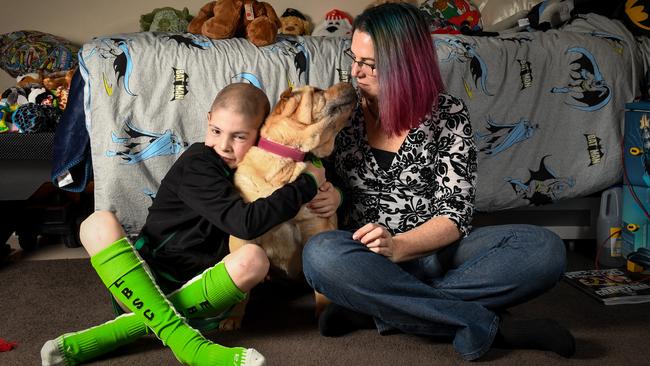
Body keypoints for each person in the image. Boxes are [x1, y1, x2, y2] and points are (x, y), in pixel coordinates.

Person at [302, 3, 575, 361]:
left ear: (405, 66)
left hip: (437, 252)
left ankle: (379, 311)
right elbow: (318, 169)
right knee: (319, 255)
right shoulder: (344, 111)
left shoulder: (447, 114)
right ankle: (487, 325)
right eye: (354, 57)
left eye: (370, 64)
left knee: (545, 249)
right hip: (364, 258)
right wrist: (334, 193)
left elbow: (455, 214)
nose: (356, 71)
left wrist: (398, 246)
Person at [41, 83, 326, 366]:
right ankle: (188, 344)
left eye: (239, 136)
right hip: (146, 285)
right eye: (216, 131)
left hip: (207, 297)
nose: (223, 146)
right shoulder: (199, 162)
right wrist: (308, 184)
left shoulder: (262, 169)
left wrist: (334, 194)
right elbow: (245, 223)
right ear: (208, 121)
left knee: (254, 260)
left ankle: (141, 328)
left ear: (260, 133)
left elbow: (311, 168)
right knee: (96, 223)